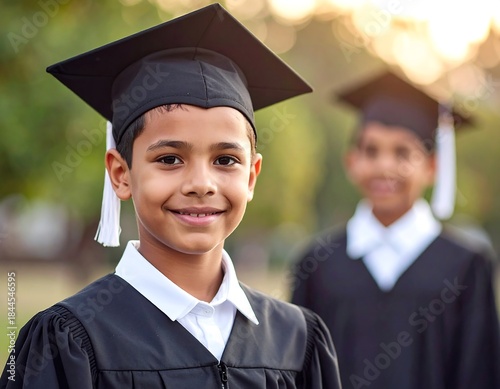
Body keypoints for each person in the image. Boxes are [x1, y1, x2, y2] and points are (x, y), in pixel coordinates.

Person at [0, 4, 342, 388]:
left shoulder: (297, 340)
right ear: (121, 174)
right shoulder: (70, 341)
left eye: (225, 159)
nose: (201, 183)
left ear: (251, 175)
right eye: (169, 159)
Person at [290, 70, 500, 389]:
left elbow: (479, 373)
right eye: (370, 151)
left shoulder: (467, 266)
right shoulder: (317, 263)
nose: (384, 166)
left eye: (403, 153)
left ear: (431, 166)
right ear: (351, 161)